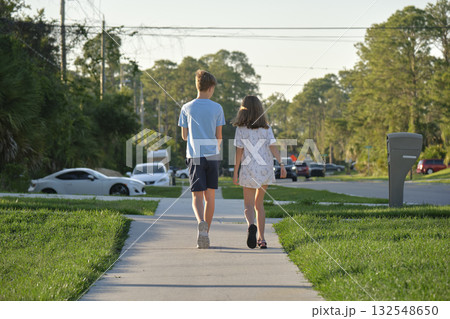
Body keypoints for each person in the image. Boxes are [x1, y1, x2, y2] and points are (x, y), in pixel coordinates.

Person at [178, 70, 225, 249]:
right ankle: (205, 232)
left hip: (194, 155)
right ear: (211, 87)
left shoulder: (186, 107)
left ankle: (200, 222)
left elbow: (184, 136)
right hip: (212, 155)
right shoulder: (217, 108)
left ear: (197, 86)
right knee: (210, 196)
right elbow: (218, 135)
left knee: (197, 196)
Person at [232, 96, 286, 249]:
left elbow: (238, 152)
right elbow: (273, 147)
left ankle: (251, 225)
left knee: (248, 205)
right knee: (259, 204)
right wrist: (282, 164)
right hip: (264, 169)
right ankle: (262, 239)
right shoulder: (267, 128)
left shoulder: (241, 129)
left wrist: (236, 171)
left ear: (243, 110)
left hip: (249, 169)